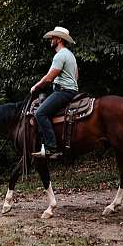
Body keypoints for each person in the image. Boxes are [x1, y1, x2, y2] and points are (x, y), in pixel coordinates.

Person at [29, 26, 79, 159]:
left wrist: (36, 86)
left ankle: (51, 147)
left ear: (59, 39)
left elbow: (49, 77)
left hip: (64, 91)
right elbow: (76, 75)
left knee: (40, 113)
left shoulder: (60, 55)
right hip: (71, 90)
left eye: (53, 37)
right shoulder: (70, 55)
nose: (51, 39)